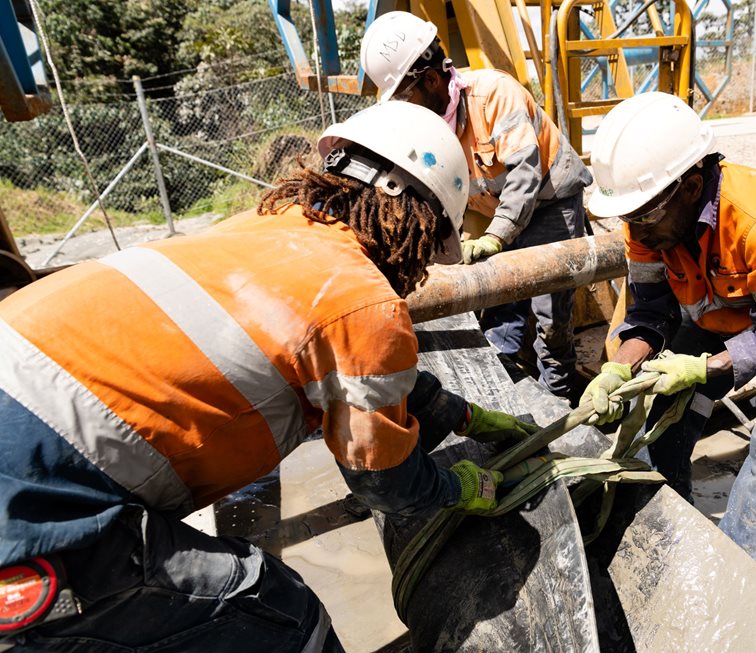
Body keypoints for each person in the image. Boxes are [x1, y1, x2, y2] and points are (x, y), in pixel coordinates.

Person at [0, 101, 538, 652]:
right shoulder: (364, 303)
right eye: (427, 251)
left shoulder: (271, 227)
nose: (420, 269)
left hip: (22, 412)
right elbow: (384, 482)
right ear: (419, 224)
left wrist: (465, 415)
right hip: (37, 505)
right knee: (278, 617)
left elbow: (345, 375)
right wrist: (457, 488)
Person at [579, 92, 756, 573]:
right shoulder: (648, 223)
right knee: (665, 414)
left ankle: (740, 574)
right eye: (627, 218)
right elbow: (652, 313)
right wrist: (619, 368)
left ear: (691, 187)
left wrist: (704, 367)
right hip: (722, 305)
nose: (636, 232)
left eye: (643, 216)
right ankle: (670, 530)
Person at [359, 11, 594, 400]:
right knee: (500, 302)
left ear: (431, 80)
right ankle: (507, 391)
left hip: (549, 202)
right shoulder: (429, 125)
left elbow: (525, 176)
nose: (405, 110)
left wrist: (498, 236)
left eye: (405, 97)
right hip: (491, 208)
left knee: (551, 314)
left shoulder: (495, 95)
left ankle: (559, 401)